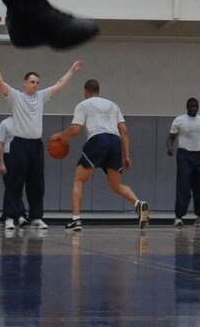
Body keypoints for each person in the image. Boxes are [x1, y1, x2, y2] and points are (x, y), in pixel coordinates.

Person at [0, 52, 83, 232]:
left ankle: (36, 217)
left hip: (36, 145)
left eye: (37, 83)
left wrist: (72, 70)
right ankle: (9, 217)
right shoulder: (15, 96)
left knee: (37, 183)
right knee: (14, 183)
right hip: (19, 145)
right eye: (32, 82)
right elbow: (0, 82)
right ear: (25, 83)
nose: (35, 85)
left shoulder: (41, 97)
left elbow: (59, 85)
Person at [54, 79, 148, 230]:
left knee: (79, 180)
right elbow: (124, 131)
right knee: (116, 185)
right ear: (99, 91)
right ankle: (138, 203)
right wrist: (127, 155)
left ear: (86, 92)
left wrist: (60, 136)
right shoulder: (113, 105)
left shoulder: (83, 105)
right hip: (115, 142)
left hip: (98, 140)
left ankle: (76, 220)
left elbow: (76, 129)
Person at [166, 98, 200, 227]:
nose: (193, 108)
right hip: (184, 155)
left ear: (198, 107)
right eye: (191, 106)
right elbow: (171, 137)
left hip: (199, 155)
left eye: (195, 106)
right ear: (187, 107)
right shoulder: (179, 120)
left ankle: (199, 218)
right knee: (183, 187)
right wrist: (170, 147)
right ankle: (179, 217)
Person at [0, 115, 24, 235]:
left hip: (22, 157)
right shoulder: (5, 123)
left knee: (18, 187)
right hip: (9, 157)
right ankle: (9, 217)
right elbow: (0, 144)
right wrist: (2, 162)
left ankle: (18, 214)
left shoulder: (26, 122)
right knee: (10, 186)